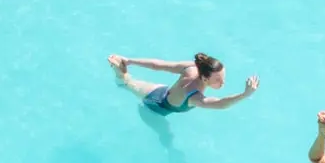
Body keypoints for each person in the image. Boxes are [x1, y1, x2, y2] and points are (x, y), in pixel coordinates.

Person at [109, 52, 259, 115]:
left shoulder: (191, 68)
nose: (223, 83)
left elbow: (158, 65)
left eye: (223, 77)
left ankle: (121, 68)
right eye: (218, 80)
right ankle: (118, 73)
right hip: (156, 107)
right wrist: (244, 95)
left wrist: (129, 60)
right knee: (166, 137)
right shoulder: (195, 97)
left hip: (161, 91)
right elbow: (220, 103)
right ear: (205, 79)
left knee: (128, 82)